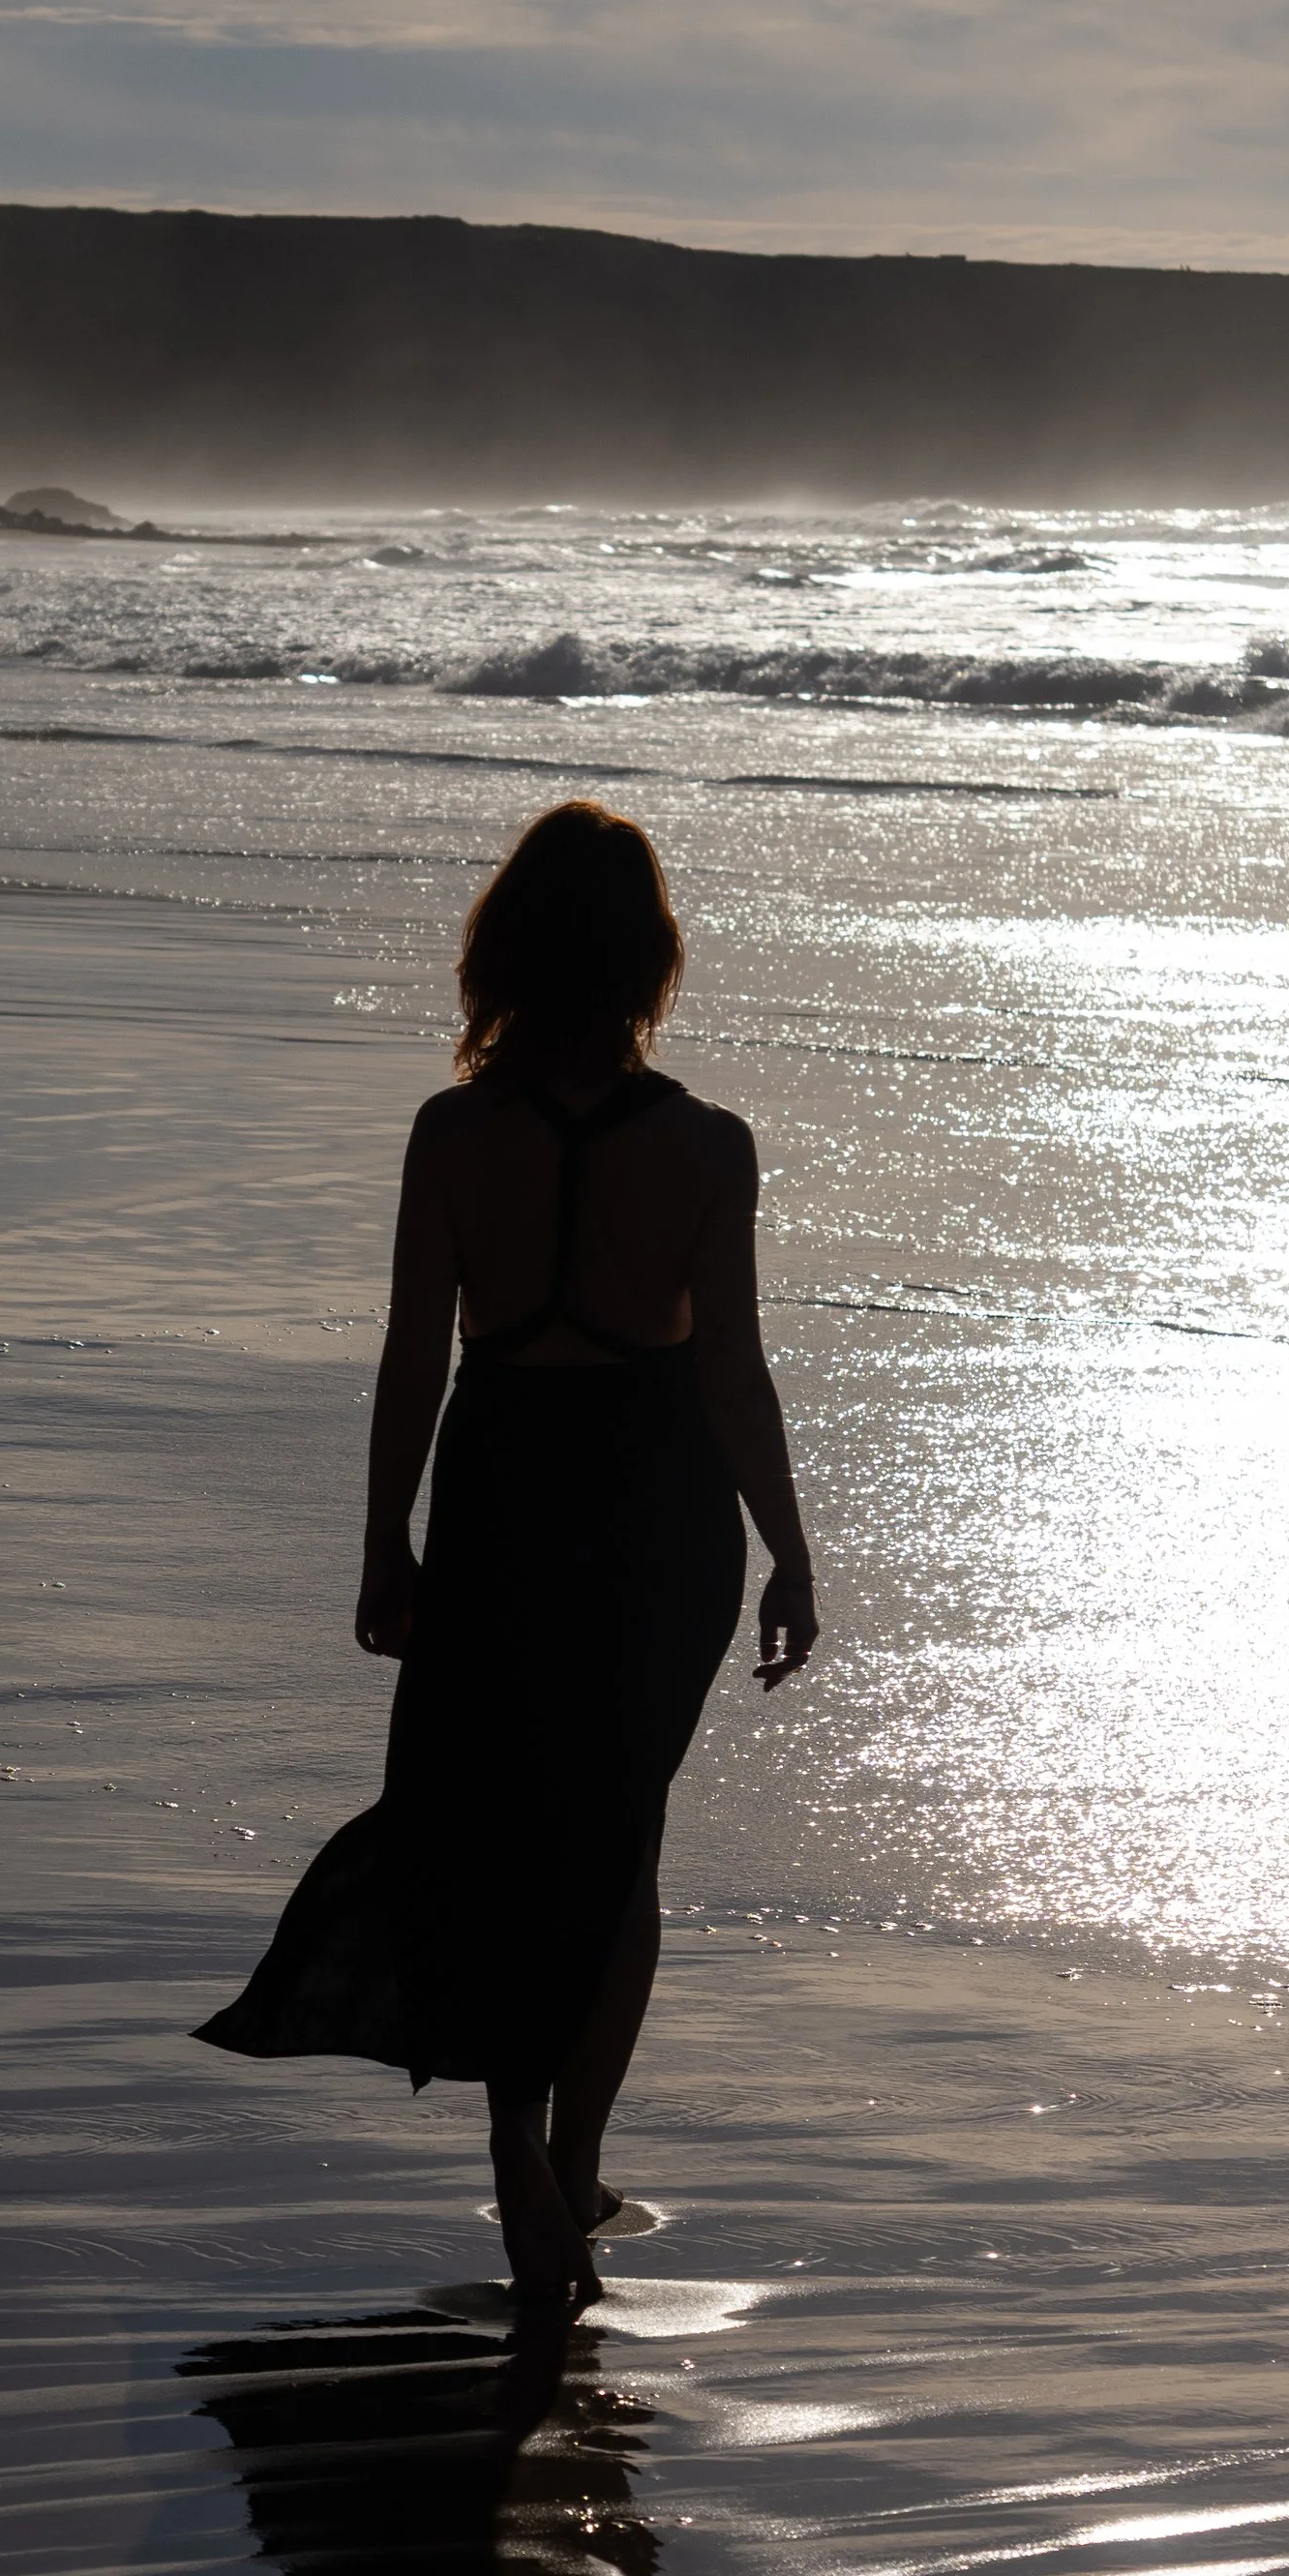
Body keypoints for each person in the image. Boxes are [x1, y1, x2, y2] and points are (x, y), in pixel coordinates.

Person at [195, 800, 816, 2314]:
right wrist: (792, 1551)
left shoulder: (452, 1134)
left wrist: (380, 1543)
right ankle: (578, 2161)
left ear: (505, 955)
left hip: (500, 1489)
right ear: (650, 959)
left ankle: (515, 2147)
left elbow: (414, 1363)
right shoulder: (707, 1147)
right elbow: (730, 1376)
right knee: (617, 1844)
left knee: (488, 1828)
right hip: (659, 1515)